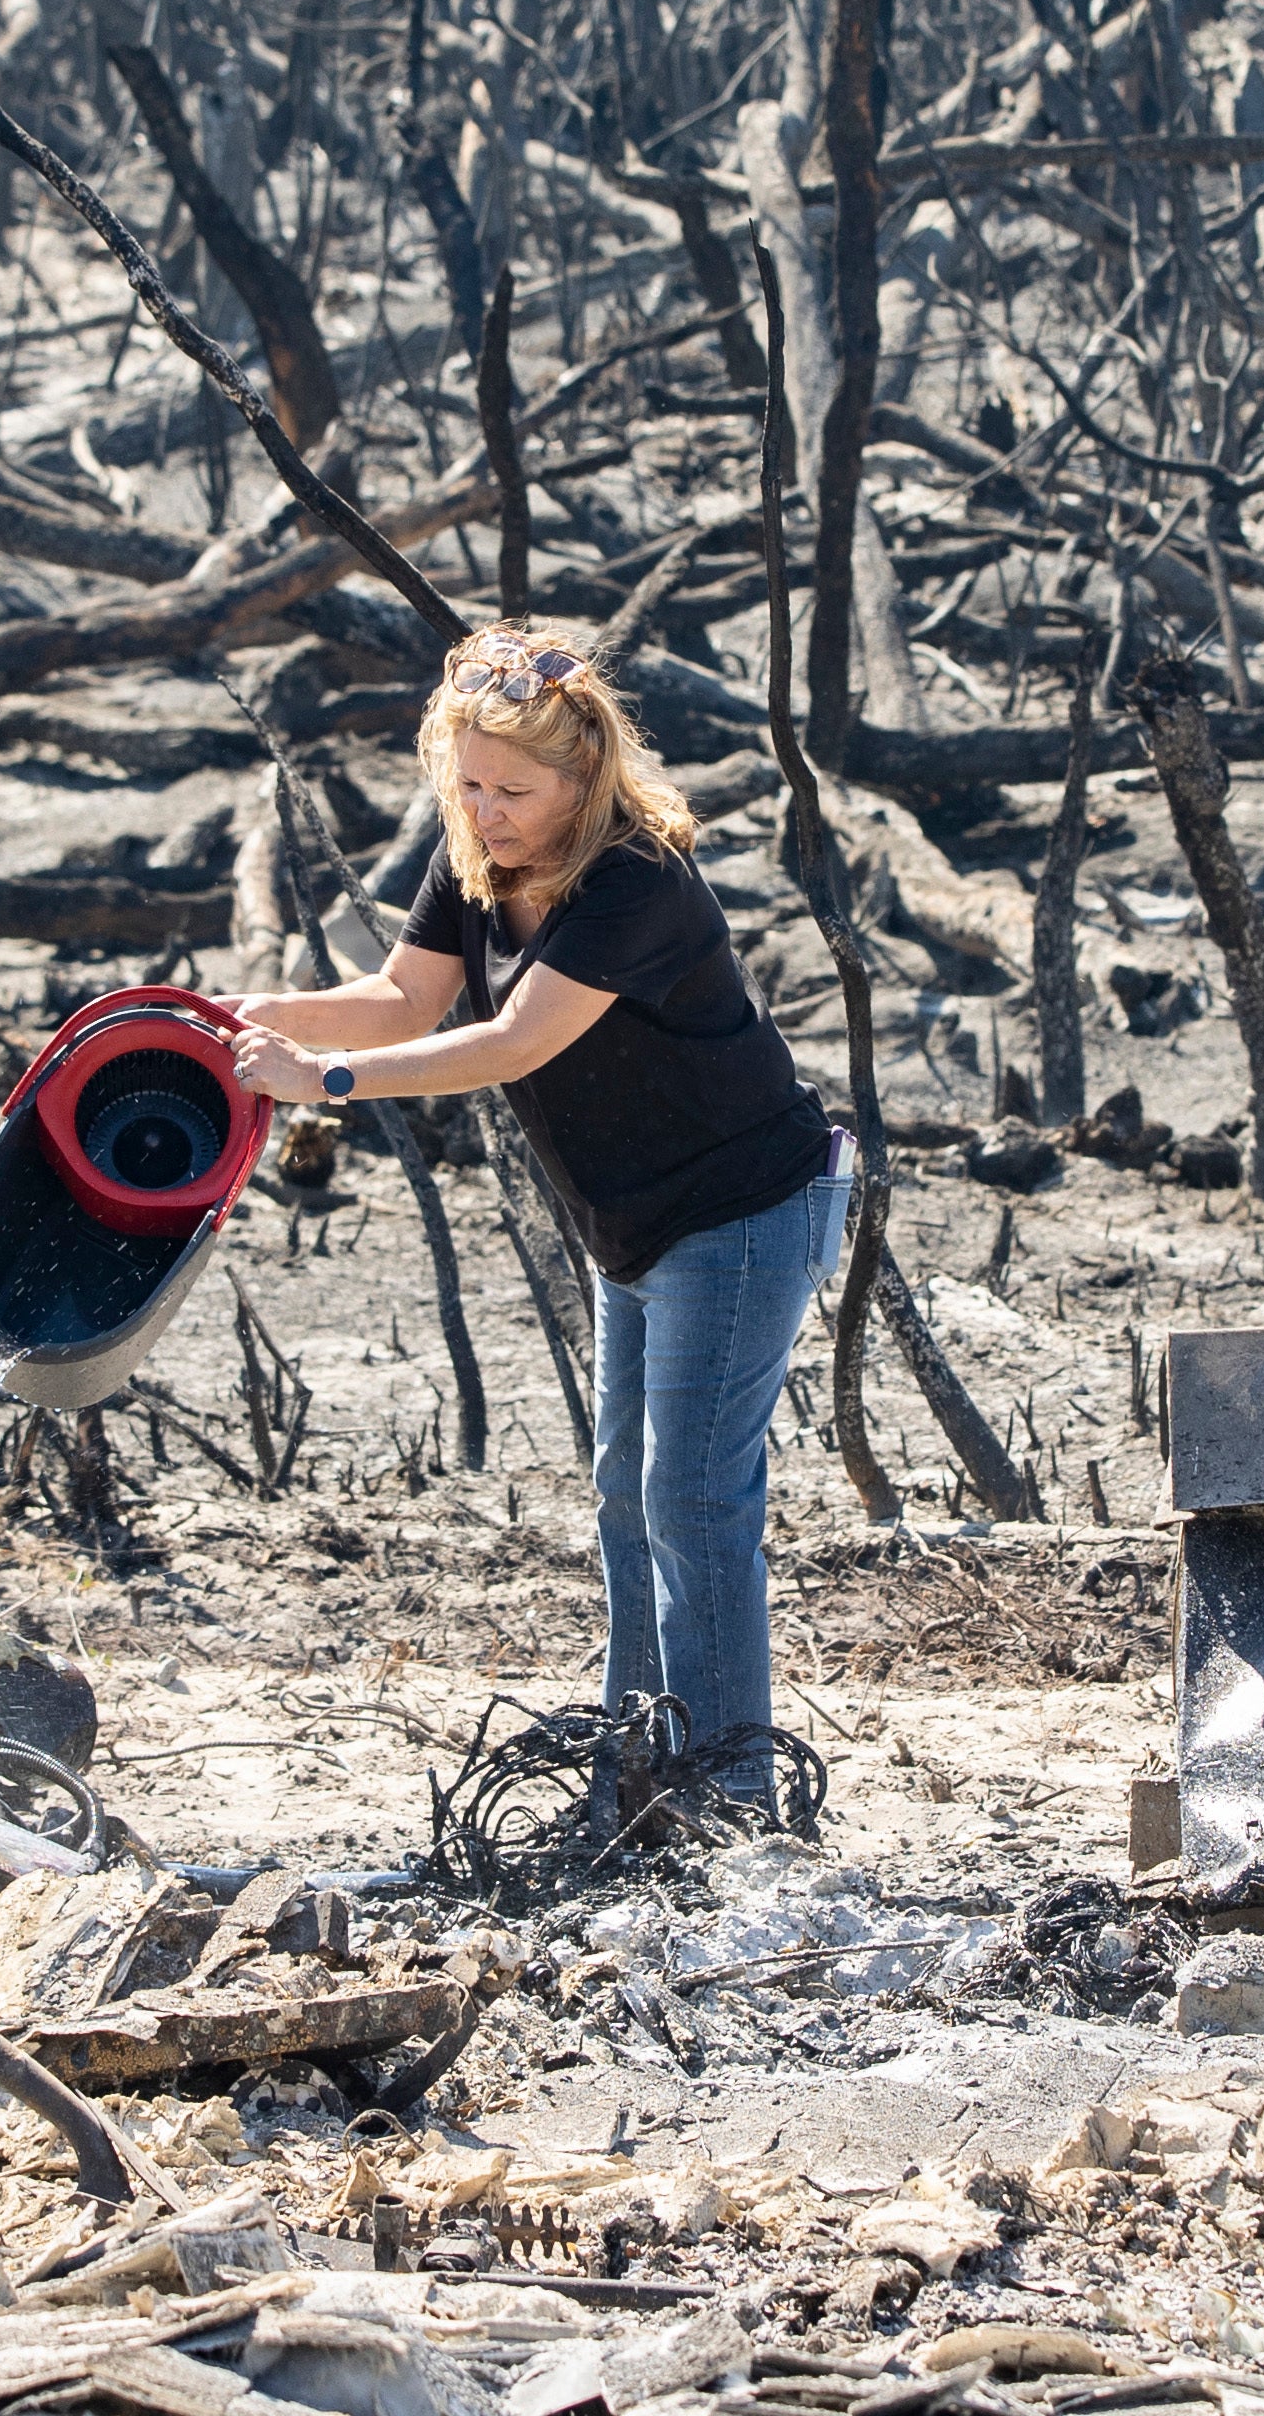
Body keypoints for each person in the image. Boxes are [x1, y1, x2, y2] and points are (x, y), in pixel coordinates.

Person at [223, 621, 841, 1793]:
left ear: (582, 778)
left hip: (747, 1212)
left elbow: (511, 1043)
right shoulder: (476, 861)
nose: (487, 811)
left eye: (513, 789)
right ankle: (638, 1761)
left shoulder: (634, 878)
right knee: (623, 1495)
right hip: (635, 1230)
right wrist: (239, 1011)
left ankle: (731, 1794)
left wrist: (325, 1084)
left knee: (692, 1499)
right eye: (466, 785)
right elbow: (402, 999)